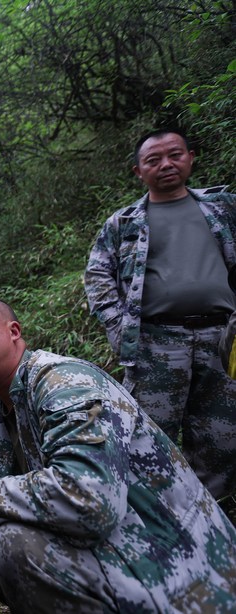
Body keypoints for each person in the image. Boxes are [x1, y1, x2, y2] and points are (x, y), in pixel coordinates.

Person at [0, 297, 236, 613]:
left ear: (13, 332)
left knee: (16, 542)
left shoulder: (64, 381)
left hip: (181, 567)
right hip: (114, 554)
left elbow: (92, 498)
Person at [83, 127, 236, 498]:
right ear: (139, 171)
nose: (166, 164)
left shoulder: (224, 209)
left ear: (191, 158)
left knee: (221, 436)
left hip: (223, 339)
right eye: (154, 160)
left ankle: (212, 515)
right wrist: (118, 327)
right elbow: (97, 275)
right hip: (156, 344)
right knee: (148, 435)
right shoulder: (124, 223)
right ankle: (158, 512)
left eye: (175, 155)